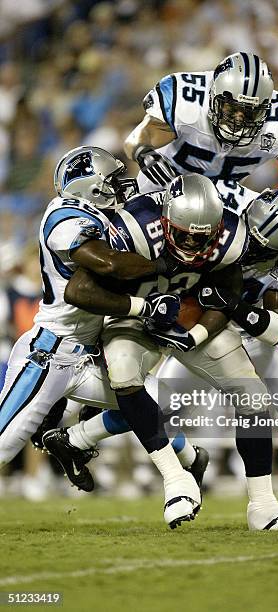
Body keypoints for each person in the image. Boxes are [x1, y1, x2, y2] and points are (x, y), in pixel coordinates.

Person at [50, 187, 278, 529]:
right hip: (196, 325)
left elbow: (274, 330)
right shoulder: (226, 218)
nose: (249, 249)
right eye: (251, 236)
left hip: (252, 336)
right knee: (154, 404)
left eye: (262, 249)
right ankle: (76, 439)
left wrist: (233, 305)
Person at [0, 145, 184, 477]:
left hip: (87, 356)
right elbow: (109, 264)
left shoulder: (101, 215)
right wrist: (162, 265)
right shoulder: (64, 216)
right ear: (91, 187)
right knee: (2, 447)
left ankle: (72, 441)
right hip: (49, 353)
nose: (120, 185)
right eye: (112, 180)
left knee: (165, 402)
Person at [123, 51, 278, 201]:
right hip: (161, 188)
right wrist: (144, 153)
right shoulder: (186, 97)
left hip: (223, 200)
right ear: (213, 96)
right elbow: (142, 135)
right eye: (231, 109)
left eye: (250, 112)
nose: (238, 119)